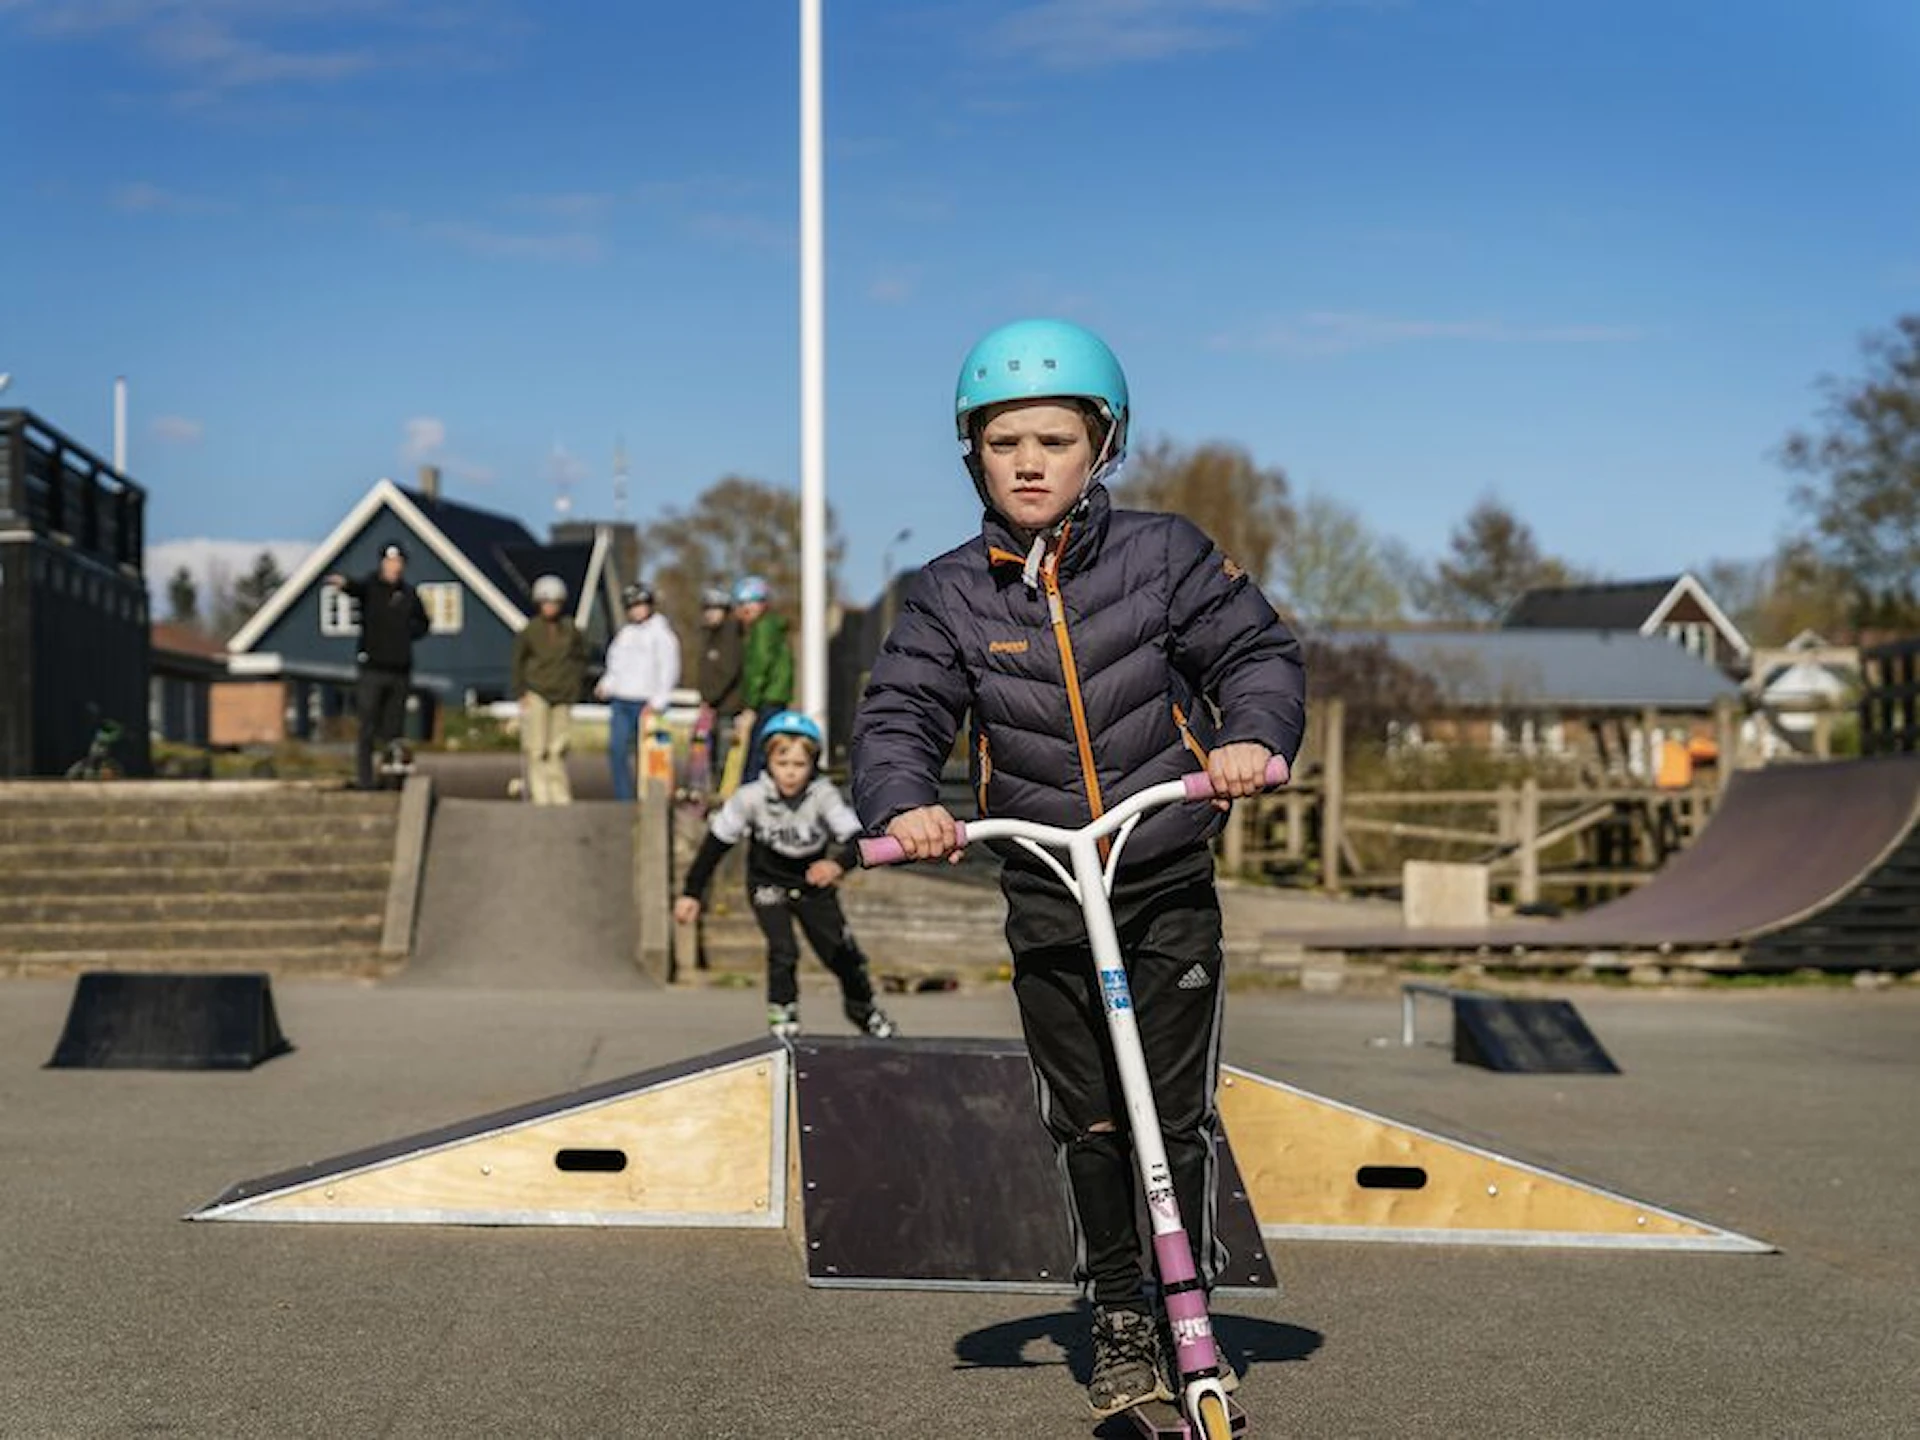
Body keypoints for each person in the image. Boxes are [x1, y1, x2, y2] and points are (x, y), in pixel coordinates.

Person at [848, 319, 1305, 1419]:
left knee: (1173, 1111)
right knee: (1089, 1114)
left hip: (1161, 873)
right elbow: (902, 710)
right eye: (1004, 443)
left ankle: (1186, 1305)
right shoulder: (950, 593)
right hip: (1050, 884)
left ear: (1103, 445)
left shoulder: (1165, 556)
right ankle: (1117, 1309)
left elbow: (1254, 653)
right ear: (973, 455)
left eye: (1054, 440)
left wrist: (1249, 739)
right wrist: (904, 803)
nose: (1029, 463)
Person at [675, 711, 898, 1041]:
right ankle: (783, 1016)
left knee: (842, 953)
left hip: (812, 883)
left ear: (813, 765)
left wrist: (837, 865)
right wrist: (691, 893)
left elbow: (858, 839)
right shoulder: (749, 797)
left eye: (799, 765)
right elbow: (715, 846)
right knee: (783, 950)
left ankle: (863, 1009)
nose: (790, 773)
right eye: (782, 763)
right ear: (768, 761)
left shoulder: (822, 795)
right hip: (768, 881)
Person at [323, 543, 429, 791]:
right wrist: (343, 584)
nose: (394, 567)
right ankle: (366, 779)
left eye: (398, 562)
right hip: (372, 668)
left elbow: (423, 623)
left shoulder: (409, 594)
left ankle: (392, 777)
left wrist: (406, 635)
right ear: (382, 564)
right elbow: (356, 588)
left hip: (400, 670)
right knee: (368, 724)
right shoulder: (371, 588)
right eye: (390, 562)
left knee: (394, 729)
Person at [597, 583, 680, 802]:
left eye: (640, 605)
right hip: (621, 701)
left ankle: (652, 798)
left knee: (651, 754)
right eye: (632, 607)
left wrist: (659, 700)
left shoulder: (661, 634)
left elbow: (669, 669)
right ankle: (624, 798)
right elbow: (616, 666)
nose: (636, 611)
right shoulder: (625, 634)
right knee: (617, 749)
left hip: (647, 704)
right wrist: (607, 685)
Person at [511, 573, 589, 806]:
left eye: (554, 602)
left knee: (558, 748)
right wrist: (521, 692)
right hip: (537, 692)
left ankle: (559, 794)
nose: (550, 607)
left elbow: (581, 659)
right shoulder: (530, 630)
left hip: (563, 694)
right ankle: (540, 794)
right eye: (545, 602)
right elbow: (518, 662)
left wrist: (575, 687)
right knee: (537, 747)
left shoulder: (571, 630)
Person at [733, 575, 794, 784]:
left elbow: (759, 667)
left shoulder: (762, 628)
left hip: (766, 699)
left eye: (751, 602)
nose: (745, 609)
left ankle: (750, 793)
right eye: (742, 603)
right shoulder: (771, 627)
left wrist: (750, 705)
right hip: (774, 696)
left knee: (757, 753)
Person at [694, 585, 744, 795]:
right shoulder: (710, 636)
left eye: (715, 609)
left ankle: (724, 795)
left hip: (727, 707)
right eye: (707, 609)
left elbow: (728, 671)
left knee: (724, 757)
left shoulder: (730, 636)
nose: (710, 614)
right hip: (713, 706)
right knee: (707, 754)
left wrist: (710, 697)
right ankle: (712, 792)